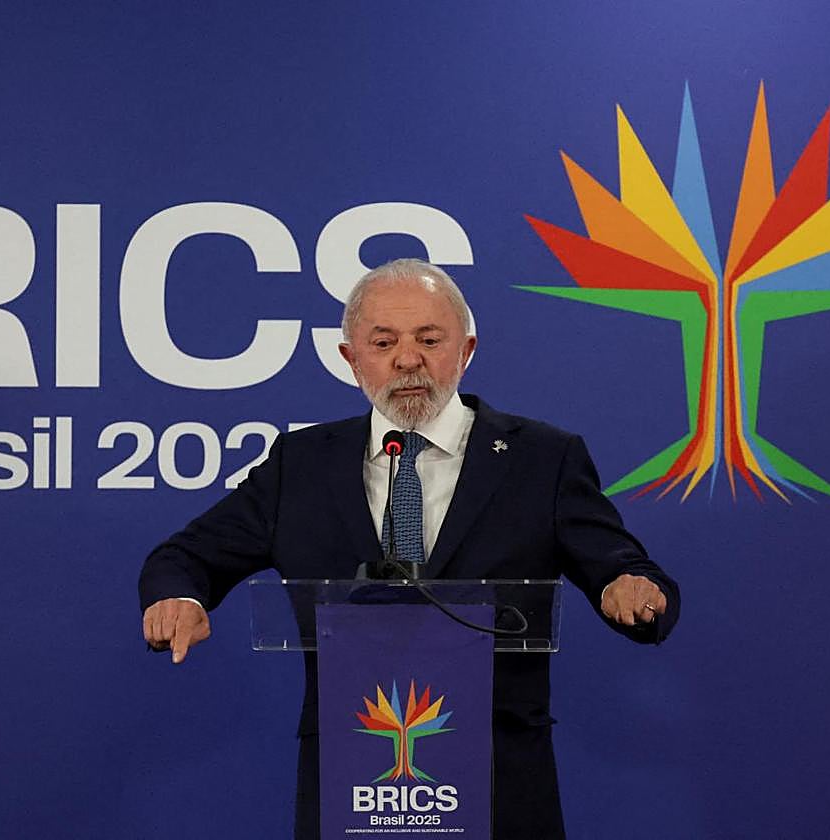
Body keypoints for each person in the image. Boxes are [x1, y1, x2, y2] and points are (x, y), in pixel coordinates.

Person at [139, 258, 680, 840]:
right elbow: (185, 558)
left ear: (465, 349)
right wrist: (180, 597)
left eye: (429, 339)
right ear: (352, 359)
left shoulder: (542, 460)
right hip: (353, 782)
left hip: (500, 782)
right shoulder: (302, 465)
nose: (407, 359)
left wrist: (628, 586)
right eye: (383, 341)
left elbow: (626, 568)